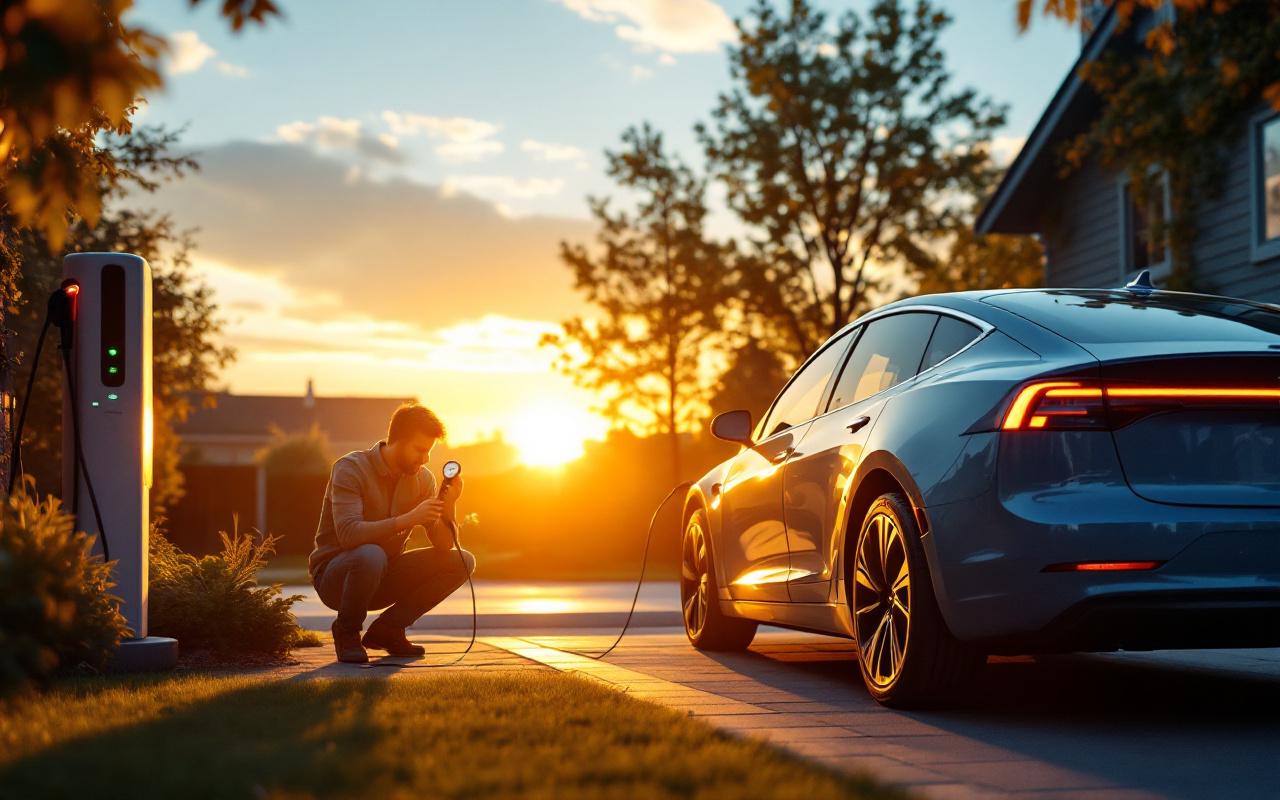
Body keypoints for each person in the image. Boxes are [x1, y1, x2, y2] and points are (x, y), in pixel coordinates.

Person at [308, 403, 475, 663]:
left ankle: (388, 630)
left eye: (429, 451)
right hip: (335, 579)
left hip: (384, 572)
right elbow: (349, 535)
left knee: (463, 561)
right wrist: (407, 519)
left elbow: (444, 545)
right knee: (370, 554)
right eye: (419, 450)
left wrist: (450, 504)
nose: (425, 459)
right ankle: (347, 631)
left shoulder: (423, 480)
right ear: (397, 441)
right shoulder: (350, 469)